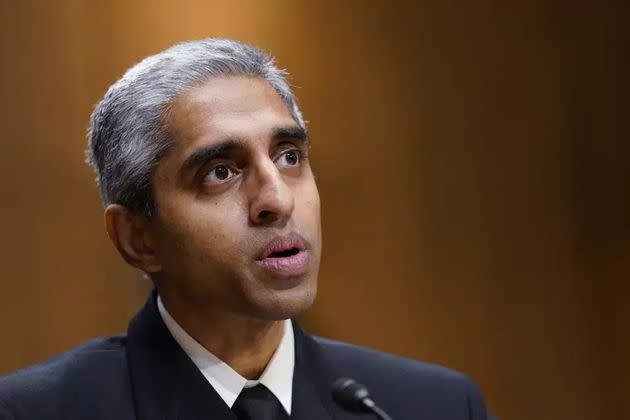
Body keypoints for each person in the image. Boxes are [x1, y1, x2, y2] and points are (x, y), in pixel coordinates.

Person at [0, 38, 490, 420]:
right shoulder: (32, 412)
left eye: (289, 157)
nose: (277, 199)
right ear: (138, 238)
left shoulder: (432, 406)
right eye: (220, 172)